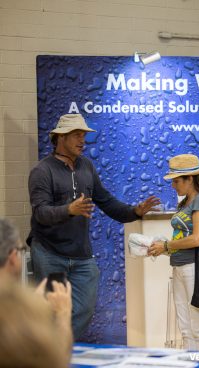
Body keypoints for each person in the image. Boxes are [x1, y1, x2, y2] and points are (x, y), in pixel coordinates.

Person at [28, 113, 160, 340]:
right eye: (77, 135)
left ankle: (62, 348)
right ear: (60, 137)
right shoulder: (42, 171)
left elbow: (106, 201)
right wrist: (69, 209)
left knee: (84, 310)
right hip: (49, 254)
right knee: (51, 313)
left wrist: (134, 211)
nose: (83, 140)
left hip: (81, 256)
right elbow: (41, 213)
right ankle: (53, 357)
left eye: (84, 135)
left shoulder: (86, 166)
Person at [148, 154, 199, 351]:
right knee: (186, 328)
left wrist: (167, 246)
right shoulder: (185, 203)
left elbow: (197, 238)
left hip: (194, 269)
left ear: (190, 179)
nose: (173, 186)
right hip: (180, 267)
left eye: (177, 181)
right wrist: (161, 248)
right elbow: (182, 240)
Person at [0, 217, 72, 366]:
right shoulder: (11, 312)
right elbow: (54, 362)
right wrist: (62, 314)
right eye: (21, 250)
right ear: (13, 257)